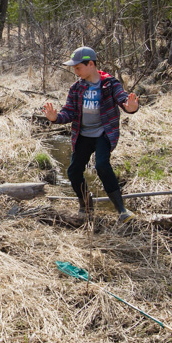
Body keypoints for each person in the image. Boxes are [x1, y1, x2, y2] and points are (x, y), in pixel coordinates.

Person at [43, 46, 139, 222]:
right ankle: (86, 206)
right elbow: (69, 112)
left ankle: (122, 210)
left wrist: (130, 107)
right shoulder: (76, 88)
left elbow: (123, 99)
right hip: (83, 135)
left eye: (78, 67)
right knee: (73, 171)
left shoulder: (110, 84)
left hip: (103, 133)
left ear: (91, 64)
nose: (75, 71)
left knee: (102, 164)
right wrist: (56, 118)